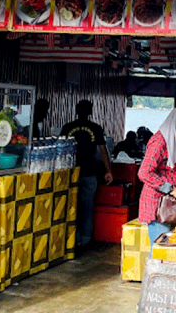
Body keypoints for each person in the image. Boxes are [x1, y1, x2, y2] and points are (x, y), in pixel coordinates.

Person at [138, 108, 176, 252]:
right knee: (160, 252)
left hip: (171, 205)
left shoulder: (173, 141)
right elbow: (144, 173)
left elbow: (173, 170)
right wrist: (172, 190)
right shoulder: (159, 142)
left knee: (168, 251)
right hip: (158, 206)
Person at [59, 100, 113, 249]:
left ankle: (73, 238)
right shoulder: (95, 128)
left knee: (72, 206)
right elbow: (103, 150)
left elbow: (60, 149)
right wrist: (108, 170)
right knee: (87, 207)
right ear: (90, 112)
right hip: (89, 171)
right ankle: (86, 239)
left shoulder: (68, 127)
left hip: (71, 172)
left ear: (76, 111)